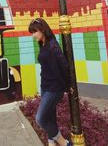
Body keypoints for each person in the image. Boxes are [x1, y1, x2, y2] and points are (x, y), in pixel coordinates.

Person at [28, 18, 72, 146]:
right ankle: (51, 143)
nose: (33, 35)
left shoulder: (52, 45)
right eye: (32, 33)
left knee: (40, 119)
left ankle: (64, 143)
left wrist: (67, 86)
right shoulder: (43, 44)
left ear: (42, 30)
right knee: (49, 118)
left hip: (54, 89)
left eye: (34, 32)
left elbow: (64, 66)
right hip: (46, 87)